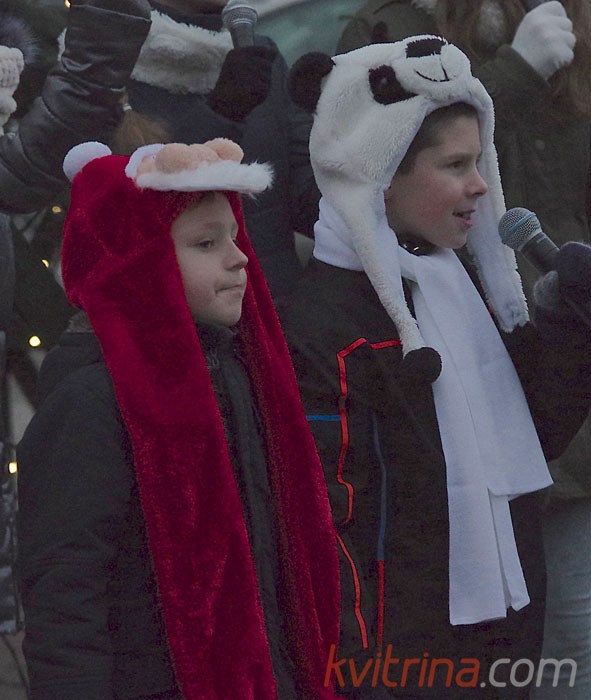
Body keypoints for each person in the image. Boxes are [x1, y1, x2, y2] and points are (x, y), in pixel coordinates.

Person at [281, 37, 591, 698]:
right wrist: (362, 677)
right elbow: (327, 532)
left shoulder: (458, 280)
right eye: (454, 165)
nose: (479, 184)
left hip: (500, 643)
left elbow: (534, 436)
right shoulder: (324, 327)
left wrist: (571, 330)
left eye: (479, 160)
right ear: (380, 173)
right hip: (401, 662)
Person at [16, 139, 340, 700]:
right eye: (206, 243)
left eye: (234, 236)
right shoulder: (90, 402)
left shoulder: (243, 376)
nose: (239, 258)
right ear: (135, 260)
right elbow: (67, 589)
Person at [124, 0, 320, 298]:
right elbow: (133, 214)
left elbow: (307, 193)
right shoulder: (111, 70)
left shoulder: (257, 53)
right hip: (184, 317)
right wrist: (221, 115)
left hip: (280, 309)